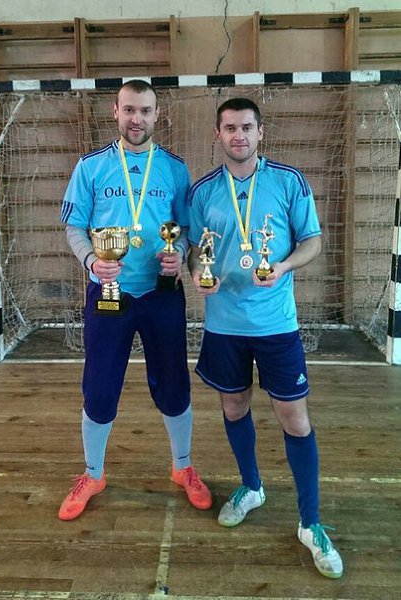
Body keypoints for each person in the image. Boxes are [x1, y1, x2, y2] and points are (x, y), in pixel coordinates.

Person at [188, 97, 343, 579]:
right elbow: (195, 249)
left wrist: (284, 266)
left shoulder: (289, 181)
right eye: (230, 128)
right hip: (224, 326)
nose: (239, 135)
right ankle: (252, 487)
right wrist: (197, 274)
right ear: (218, 134)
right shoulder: (203, 191)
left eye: (246, 127)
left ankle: (310, 523)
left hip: (277, 325)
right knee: (234, 407)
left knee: (294, 418)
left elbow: (312, 241)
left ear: (261, 132)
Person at [58, 79, 212, 521]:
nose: (136, 119)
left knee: (173, 383)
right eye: (129, 110)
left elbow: (186, 231)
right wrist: (92, 260)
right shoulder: (91, 167)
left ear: (157, 114)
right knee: (99, 386)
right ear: (115, 112)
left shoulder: (175, 169)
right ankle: (93, 474)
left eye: (145, 111)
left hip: (161, 293)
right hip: (109, 293)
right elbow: (74, 227)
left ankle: (183, 467)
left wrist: (179, 256)